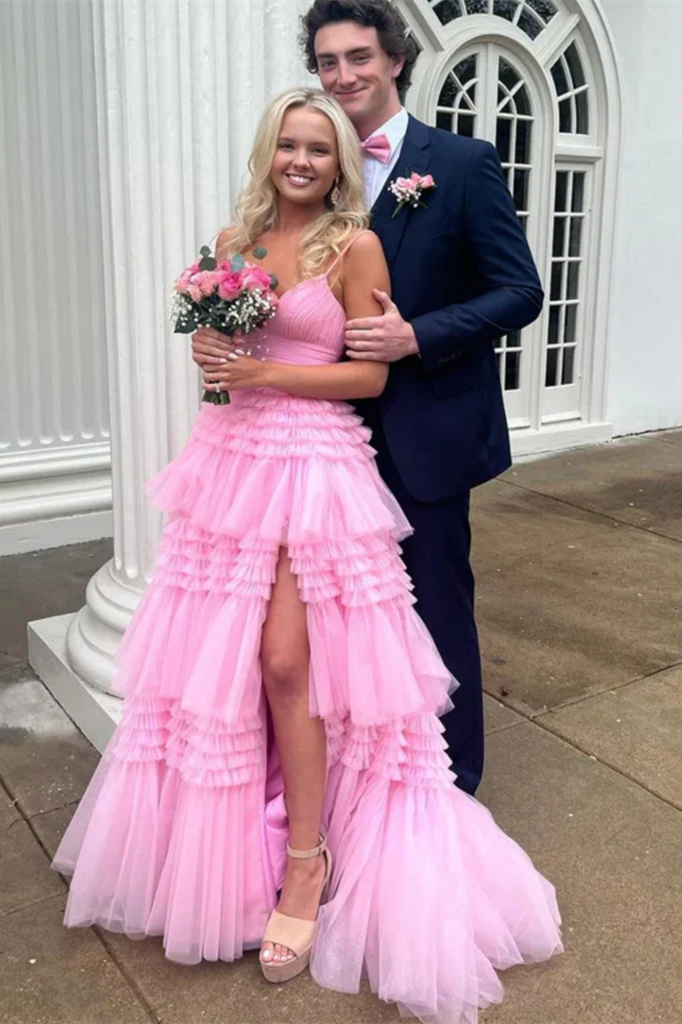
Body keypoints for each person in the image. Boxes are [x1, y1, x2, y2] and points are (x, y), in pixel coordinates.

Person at [53, 88, 561, 1024]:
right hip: (231, 463)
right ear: (269, 153)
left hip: (316, 466)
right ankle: (230, 849)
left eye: (318, 149)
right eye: (288, 145)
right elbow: (220, 353)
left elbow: (369, 371)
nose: (301, 160)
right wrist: (212, 350)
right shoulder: (235, 242)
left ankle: (306, 861)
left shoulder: (353, 246)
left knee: (289, 660)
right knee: (221, 669)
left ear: (338, 164)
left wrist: (263, 371)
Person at [192, 0, 544, 797]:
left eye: (359, 57)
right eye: (326, 62)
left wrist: (415, 334)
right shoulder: (306, 168)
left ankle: (447, 793)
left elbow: (520, 291)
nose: (343, 75)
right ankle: (349, 787)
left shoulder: (459, 163)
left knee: (431, 611)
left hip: (424, 432)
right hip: (309, 445)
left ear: (394, 60)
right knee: (325, 631)